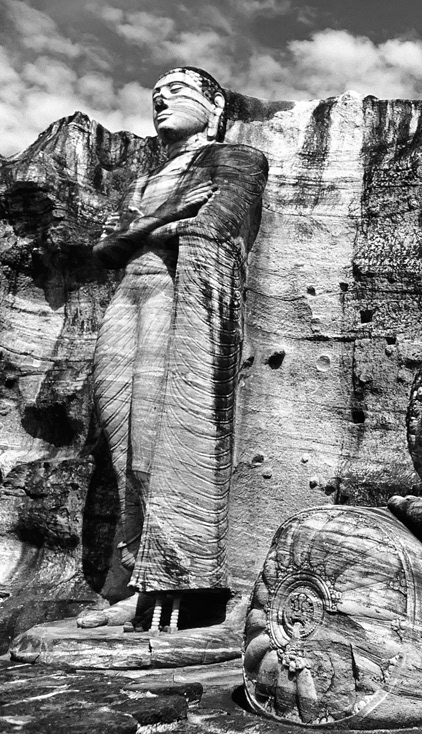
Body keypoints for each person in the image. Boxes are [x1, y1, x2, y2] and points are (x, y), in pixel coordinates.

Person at [79, 67, 267, 632]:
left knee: (151, 450)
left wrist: (149, 230)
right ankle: (127, 577)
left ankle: (160, 586)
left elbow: (215, 230)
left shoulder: (234, 159)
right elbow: (105, 250)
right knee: (118, 447)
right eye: (155, 93)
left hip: (172, 297)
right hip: (128, 296)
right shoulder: (147, 181)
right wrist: (162, 219)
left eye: (177, 90)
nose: (161, 98)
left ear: (214, 106)